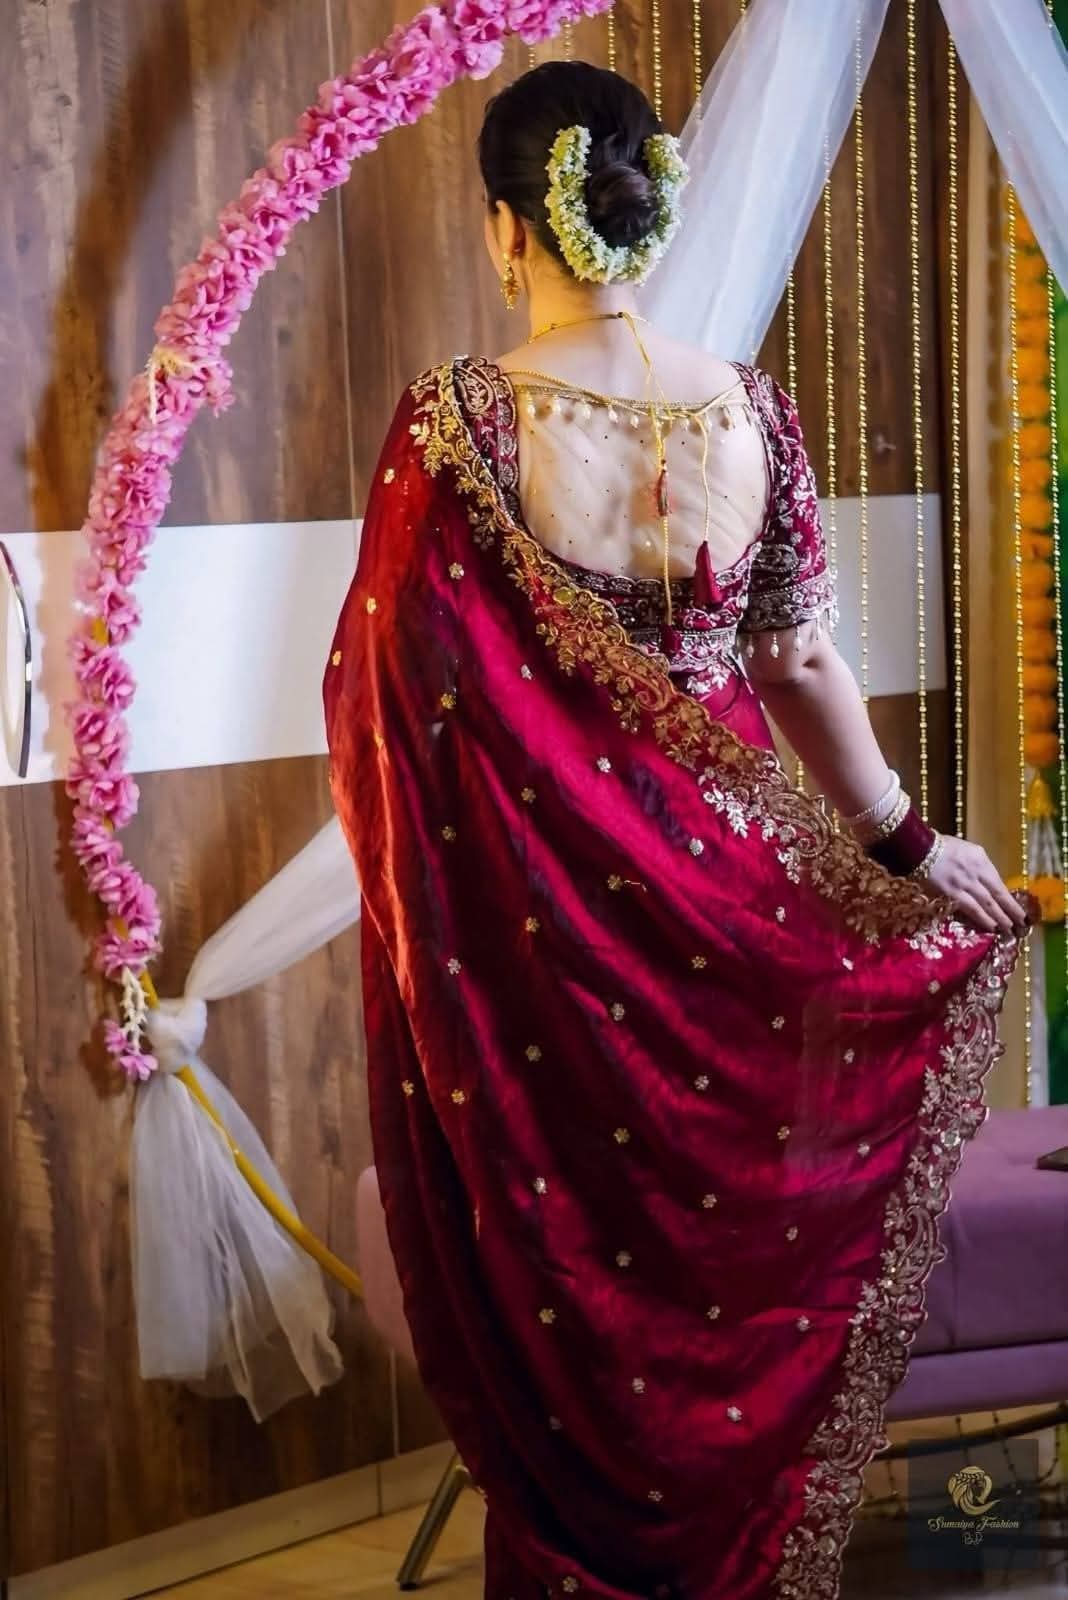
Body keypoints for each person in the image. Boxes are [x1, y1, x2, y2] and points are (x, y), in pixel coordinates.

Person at [325, 61, 1028, 1600]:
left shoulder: (458, 427)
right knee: (716, 1268)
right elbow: (797, 661)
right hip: (732, 907)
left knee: (585, 1280)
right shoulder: (750, 409)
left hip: (547, 944)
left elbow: (393, 702)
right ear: (648, 214)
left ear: (509, 228)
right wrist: (911, 846)